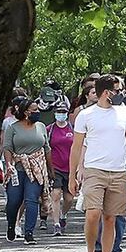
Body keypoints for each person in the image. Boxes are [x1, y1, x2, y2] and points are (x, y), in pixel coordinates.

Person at [69, 74, 126, 252]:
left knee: (111, 218)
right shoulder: (87, 115)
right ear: (106, 92)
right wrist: (73, 175)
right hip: (94, 170)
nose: (120, 94)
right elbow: (76, 147)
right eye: (117, 90)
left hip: (118, 171)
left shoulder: (125, 114)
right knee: (93, 213)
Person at [1, 96, 51, 244]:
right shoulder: (13, 128)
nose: (37, 112)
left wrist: (50, 170)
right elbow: (7, 148)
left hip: (36, 170)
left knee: (31, 200)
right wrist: (9, 165)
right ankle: (11, 224)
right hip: (17, 169)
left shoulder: (41, 127)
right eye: (34, 110)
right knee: (14, 201)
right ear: (25, 112)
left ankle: (29, 232)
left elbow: (47, 149)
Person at [46, 97, 74, 235]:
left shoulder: (73, 129)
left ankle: (63, 215)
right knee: (56, 195)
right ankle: (56, 224)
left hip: (70, 167)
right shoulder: (49, 129)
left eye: (63, 111)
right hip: (55, 167)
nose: (61, 114)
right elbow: (46, 148)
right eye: (59, 111)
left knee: (69, 198)